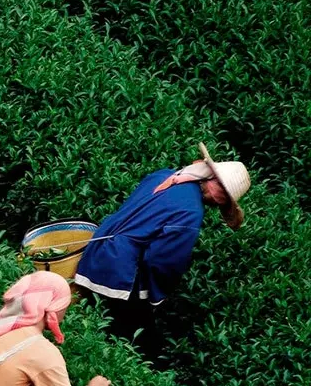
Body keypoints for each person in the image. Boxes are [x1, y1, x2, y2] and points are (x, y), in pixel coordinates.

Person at [74, 144, 251, 341]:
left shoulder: (163, 175)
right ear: (210, 177)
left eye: (225, 199)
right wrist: (158, 295)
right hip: (120, 273)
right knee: (131, 339)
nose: (219, 201)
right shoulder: (191, 212)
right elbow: (162, 260)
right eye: (222, 192)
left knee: (88, 322)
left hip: (95, 252)